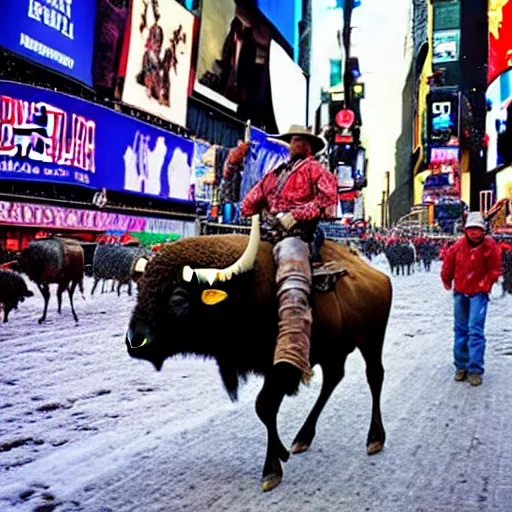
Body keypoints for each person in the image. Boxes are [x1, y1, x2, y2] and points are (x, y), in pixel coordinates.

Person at [241, 125, 338, 387]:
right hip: (267, 235)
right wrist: (265, 213)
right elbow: (247, 204)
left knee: (291, 274)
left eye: (296, 140)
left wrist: (297, 213)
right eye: (291, 140)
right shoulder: (273, 175)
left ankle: (293, 351)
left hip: (297, 237)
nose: (292, 144)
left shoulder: (317, 170)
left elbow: (329, 205)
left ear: (307, 145)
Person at [441, 211, 502, 386]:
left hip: (479, 293)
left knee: (475, 330)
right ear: (465, 231)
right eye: (471, 229)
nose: (474, 233)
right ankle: (461, 365)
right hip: (461, 291)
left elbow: (495, 268)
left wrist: (487, 284)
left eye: (478, 229)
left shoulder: (490, 246)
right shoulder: (458, 247)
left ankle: (475, 369)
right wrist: (446, 278)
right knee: (460, 329)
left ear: (483, 231)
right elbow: (448, 264)